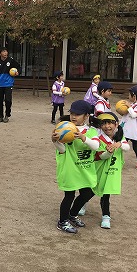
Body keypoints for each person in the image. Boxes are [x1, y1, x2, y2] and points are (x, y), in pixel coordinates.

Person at [51, 100, 100, 234]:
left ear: (86, 116)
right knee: (69, 195)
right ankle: (62, 221)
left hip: (85, 169)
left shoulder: (92, 131)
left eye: (78, 114)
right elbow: (62, 150)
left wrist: (83, 138)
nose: (73, 117)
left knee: (87, 193)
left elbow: (96, 146)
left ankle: (72, 214)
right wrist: (55, 141)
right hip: (71, 169)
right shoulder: (64, 128)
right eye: (72, 113)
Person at [90, 112, 130, 229]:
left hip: (111, 171)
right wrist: (109, 152)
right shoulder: (99, 139)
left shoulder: (120, 137)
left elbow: (127, 147)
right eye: (104, 124)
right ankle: (83, 204)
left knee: (106, 194)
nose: (107, 126)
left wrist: (119, 144)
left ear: (116, 124)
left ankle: (106, 216)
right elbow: (101, 156)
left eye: (110, 123)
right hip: (99, 169)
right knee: (90, 190)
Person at [0, 48, 21, 123]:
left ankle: (7, 115)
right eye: (3, 51)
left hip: (8, 84)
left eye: (6, 51)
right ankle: (0, 116)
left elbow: (18, 67)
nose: (5, 53)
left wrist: (18, 72)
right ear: (0, 54)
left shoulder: (11, 60)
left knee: (8, 100)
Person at [121, 85, 137, 170]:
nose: (128, 96)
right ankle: (118, 161)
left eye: (129, 94)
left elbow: (134, 115)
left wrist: (129, 106)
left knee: (136, 147)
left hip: (134, 131)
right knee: (121, 144)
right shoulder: (133, 104)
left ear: (134, 96)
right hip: (126, 129)